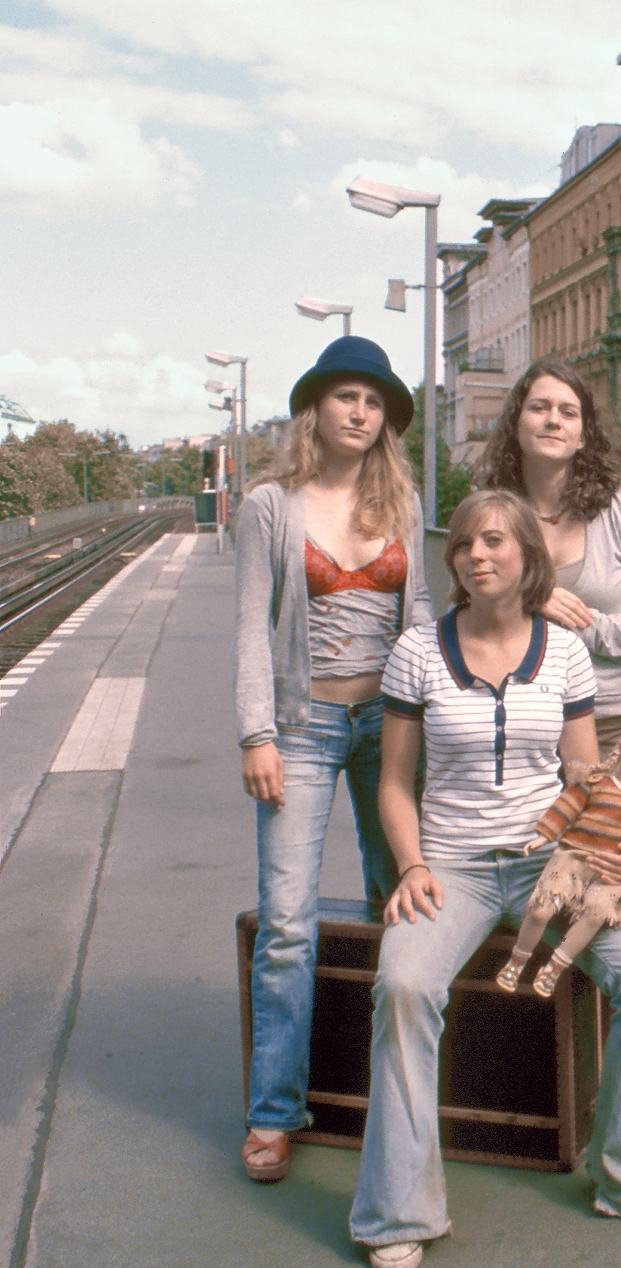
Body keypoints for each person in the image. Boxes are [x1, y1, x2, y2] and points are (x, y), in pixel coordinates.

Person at [350, 489, 621, 1268]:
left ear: (526, 557)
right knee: (401, 982)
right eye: (465, 543)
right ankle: (399, 1209)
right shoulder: (418, 652)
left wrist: (603, 839)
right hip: (456, 866)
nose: (477, 555)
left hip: (552, 861)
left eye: (495, 540)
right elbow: (395, 782)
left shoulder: (565, 651)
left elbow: (577, 765)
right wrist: (412, 866)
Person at [233, 335, 431, 1186]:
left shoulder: (404, 499)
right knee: (286, 924)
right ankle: (276, 1112)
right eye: (345, 395)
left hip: (389, 727)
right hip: (303, 728)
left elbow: (418, 610)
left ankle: (405, 1091)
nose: (359, 410)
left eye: (374, 399)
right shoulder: (271, 505)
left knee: (410, 904)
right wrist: (256, 733)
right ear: (313, 408)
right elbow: (250, 624)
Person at [477, 359, 621, 983]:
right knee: (533, 897)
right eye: (539, 407)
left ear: (583, 432)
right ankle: (530, 1061)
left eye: (567, 412)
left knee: (620, 902)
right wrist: (525, 597)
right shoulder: (490, 511)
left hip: (606, 733)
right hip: (514, 730)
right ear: (516, 423)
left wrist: (588, 625)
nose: (552, 420)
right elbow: (460, 610)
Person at [495, 724, 621, 999]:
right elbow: (567, 806)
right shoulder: (597, 782)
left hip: (608, 871)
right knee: (541, 910)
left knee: (595, 915)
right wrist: (545, 836)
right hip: (571, 856)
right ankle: (517, 961)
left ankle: (555, 968)